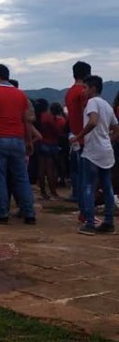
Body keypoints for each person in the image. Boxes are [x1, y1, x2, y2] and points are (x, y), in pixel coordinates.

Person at [0, 64, 36, 225]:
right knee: (22, 177)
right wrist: (29, 140)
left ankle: (2, 213)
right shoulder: (21, 94)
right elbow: (27, 120)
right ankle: (29, 213)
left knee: (0, 177)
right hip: (18, 139)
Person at [75, 76, 118, 235]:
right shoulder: (107, 105)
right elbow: (116, 127)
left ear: (92, 88)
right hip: (106, 151)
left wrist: (78, 136)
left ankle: (90, 223)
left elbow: (92, 121)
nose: (83, 91)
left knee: (88, 186)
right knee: (107, 187)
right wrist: (108, 140)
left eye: (85, 88)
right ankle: (108, 222)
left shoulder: (92, 102)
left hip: (93, 151)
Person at [65, 61, 91, 207]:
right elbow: (87, 114)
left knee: (76, 169)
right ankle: (85, 202)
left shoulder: (69, 92)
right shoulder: (83, 92)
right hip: (84, 136)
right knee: (86, 173)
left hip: (74, 135)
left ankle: (77, 194)